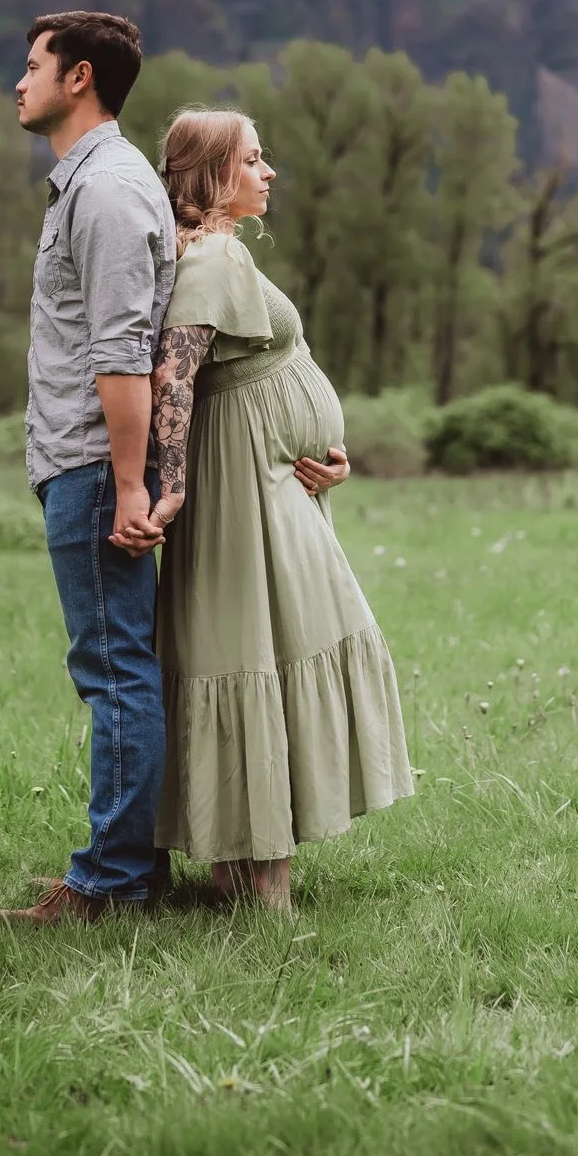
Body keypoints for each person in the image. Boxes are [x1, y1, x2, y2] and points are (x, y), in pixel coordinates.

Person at [149, 108, 414, 913]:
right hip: (242, 496)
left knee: (265, 647)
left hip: (269, 482)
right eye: (253, 160)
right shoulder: (215, 257)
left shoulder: (217, 254)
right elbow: (174, 379)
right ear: (212, 176)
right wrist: (170, 486)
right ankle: (265, 890)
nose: (268, 173)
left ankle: (245, 874)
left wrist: (320, 450)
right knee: (261, 649)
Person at [0, 11, 177, 926]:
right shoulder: (91, 185)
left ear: (79, 79)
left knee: (114, 671)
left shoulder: (104, 192)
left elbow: (122, 351)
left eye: (31, 67)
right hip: (88, 460)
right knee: (116, 666)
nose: (16, 83)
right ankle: (125, 867)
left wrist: (131, 482)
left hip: (98, 464)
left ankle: (111, 883)